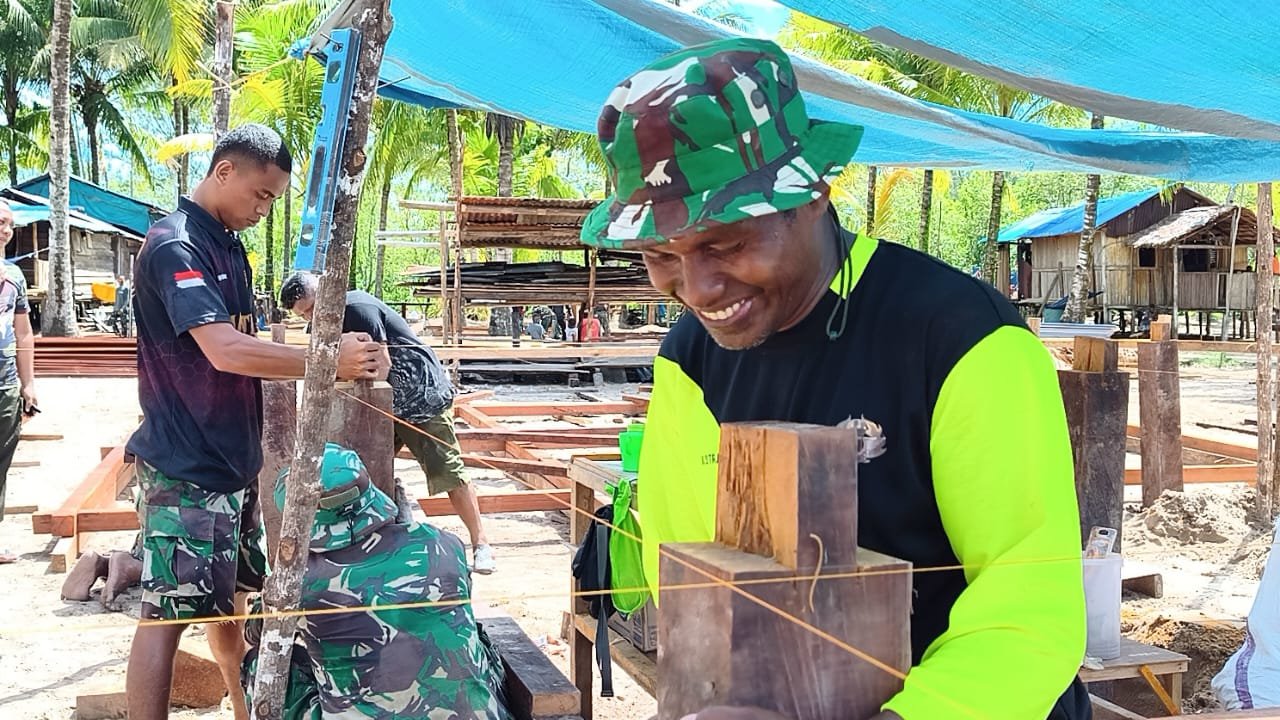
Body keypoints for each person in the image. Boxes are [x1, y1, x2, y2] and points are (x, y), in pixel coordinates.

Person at [580, 38, 1088, 720]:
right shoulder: (689, 360)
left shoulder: (960, 338)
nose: (697, 289)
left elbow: (1028, 609)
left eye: (725, 243)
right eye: (659, 255)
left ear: (813, 194)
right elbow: (691, 571)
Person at [124, 123, 387, 720]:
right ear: (225, 172)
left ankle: (244, 709)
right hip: (186, 465)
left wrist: (326, 350)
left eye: (273, 199)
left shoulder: (227, 246)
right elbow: (226, 351)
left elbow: (249, 343)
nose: (265, 209)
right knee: (166, 617)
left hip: (233, 460)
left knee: (232, 602)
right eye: (261, 194)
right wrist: (326, 361)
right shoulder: (174, 246)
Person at [247, 442, 513, 719]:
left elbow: (256, 632)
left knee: (258, 663)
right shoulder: (443, 544)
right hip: (474, 713)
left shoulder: (299, 583)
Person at [279, 271, 497, 573]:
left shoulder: (357, 308)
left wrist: (363, 405)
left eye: (312, 308)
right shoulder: (322, 323)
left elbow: (381, 364)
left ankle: (481, 544)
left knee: (448, 472)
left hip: (420, 396)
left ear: (326, 293)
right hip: (384, 402)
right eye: (304, 314)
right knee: (363, 468)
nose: (310, 317)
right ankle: (395, 521)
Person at [0, 199, 35, 565]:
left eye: (9, 224)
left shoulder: (14, 277)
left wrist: (28, 384)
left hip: (5, 384)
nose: (5, 230)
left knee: (1, 461)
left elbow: (23, 333)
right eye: (0, 222)